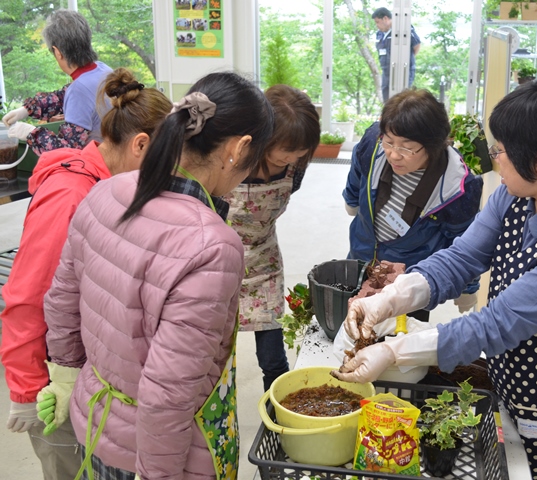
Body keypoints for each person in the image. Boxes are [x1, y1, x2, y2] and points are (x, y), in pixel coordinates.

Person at [333, 80, 537, 480]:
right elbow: (462, 257)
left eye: (501, 150)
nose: (494, 161)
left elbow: (500, 323)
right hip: (512, 380)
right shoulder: (516, 196)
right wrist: (391, 298)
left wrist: (395, 351)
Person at [40, 71, 274, 480]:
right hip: (158, 457)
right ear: (239, 149)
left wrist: (64, 375)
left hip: (94, 422)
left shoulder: (108, 189)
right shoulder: (212, 247)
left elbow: (61, 302)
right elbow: (168, 393)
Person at [0, 68, 171, 480]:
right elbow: (27, 297)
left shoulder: (111, 188)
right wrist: (27, 389)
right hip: (51, 383)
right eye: (168, 162)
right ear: (140, 145)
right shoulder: (71, 196)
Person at [343, 88, 483, 319]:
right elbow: (358, 172)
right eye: (389, 142)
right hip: (362, 253)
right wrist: (350, 198)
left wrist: (468, 287)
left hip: (411, 280)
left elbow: (465, 243)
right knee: (353, 328)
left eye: (406, 148)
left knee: (400, 344)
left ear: (433, 144)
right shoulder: (372, 143)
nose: (394, 155)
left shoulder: (460, 187)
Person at [223, 84, 320, 391]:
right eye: (287, 151)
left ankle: (280, 424)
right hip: (219, 262)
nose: (295, 158)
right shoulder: (230, 160)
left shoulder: (296, 167)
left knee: (274, 360)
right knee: (216, 357)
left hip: (264, 262)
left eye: (301, 151)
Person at [1, 9, 113, 156]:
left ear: (57, 52)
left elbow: (66, 153)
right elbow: (63, 96)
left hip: (100, 167)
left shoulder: (79, 90)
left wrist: (31, 133)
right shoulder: (103, 69)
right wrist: (27, 109)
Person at [371, 7, 421, 102]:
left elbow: (417, 45)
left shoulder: (403, 29)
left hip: (402, 71)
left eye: (377, 22)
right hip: (387, 72)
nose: (377, 25)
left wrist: (408, 58)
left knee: (401, 99)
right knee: (387, 100)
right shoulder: (379, 34)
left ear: (385, 18)